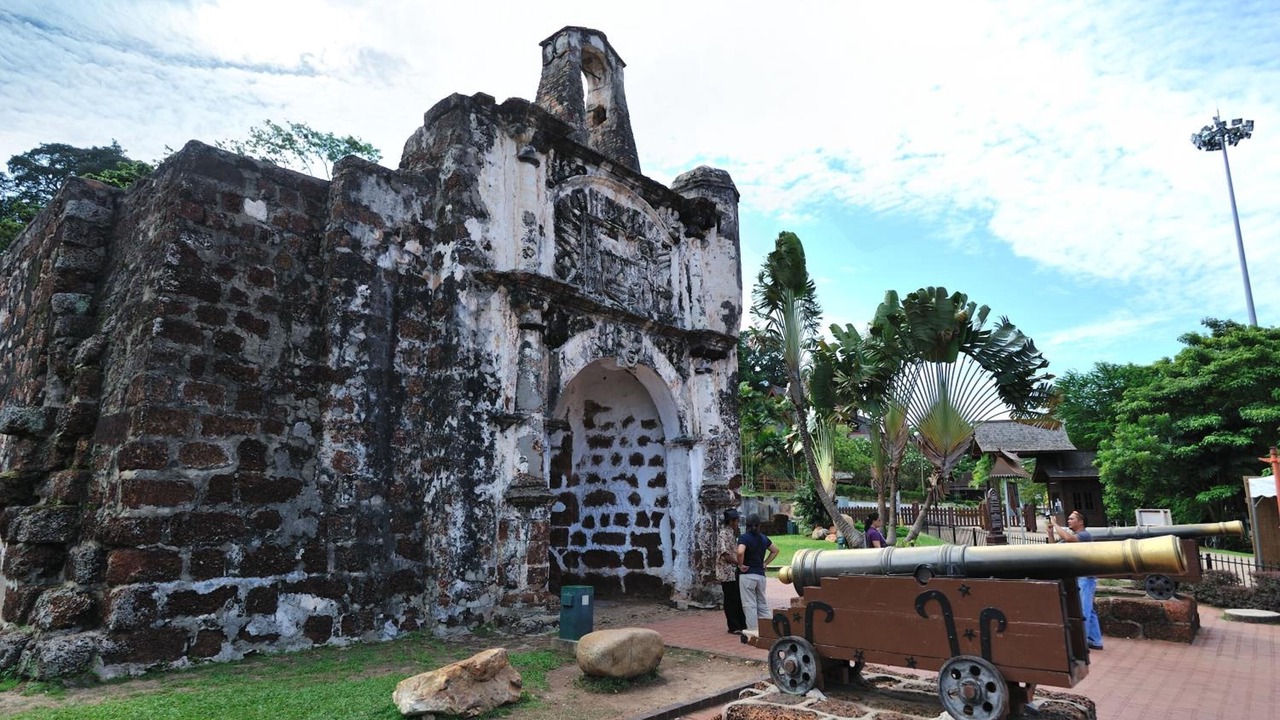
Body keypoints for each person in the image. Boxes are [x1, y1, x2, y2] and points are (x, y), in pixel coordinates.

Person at [1049, 510, 1104, 650]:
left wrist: (1055, 523)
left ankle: (1080, 642)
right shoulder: (1074, 536)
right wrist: (1050, 532)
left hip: (1085, 577)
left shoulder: (1084, 535)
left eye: (1072, 519)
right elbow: (1053, 549)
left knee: (1083, 610)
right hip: (1080, 577)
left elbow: (1068, 539)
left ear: (1081, 522)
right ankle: (1095, 640)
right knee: (1089, 610)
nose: (1068, 521)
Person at [736, 513, 779, 634]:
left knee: (749, 604)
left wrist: (741, 565)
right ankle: (769, 630)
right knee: (762, 603)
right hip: (760, 575)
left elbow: (740, 552)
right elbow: (775, 550)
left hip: (747, 574)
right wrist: (765, 563)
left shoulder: (744, 538)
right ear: (759, 525)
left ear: (747, 525)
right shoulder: (763, 538)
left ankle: (753, 631)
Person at [716, 509, 747, 634]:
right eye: (736, 520)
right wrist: (738, 563)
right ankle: (733, 626)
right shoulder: (723, 533)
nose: (738, 522)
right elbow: (724, 554)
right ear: (731, 521)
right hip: (726, 571)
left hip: (733, 571)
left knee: (736, 597)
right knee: (730, 599)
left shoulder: (732, 533)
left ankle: (740, 623)